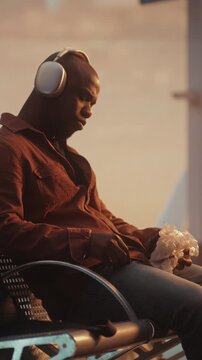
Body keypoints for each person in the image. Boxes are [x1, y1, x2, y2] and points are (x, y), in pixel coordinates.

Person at [0, 49, 202, 360]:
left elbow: (105, 219)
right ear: (49, 85)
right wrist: (86, 242)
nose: (89, 111)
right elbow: (6, 228)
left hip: (122, 270)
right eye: (83, 98)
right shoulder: (9, 148)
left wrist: (152, 239)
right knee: (196, 306)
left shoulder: (76, 161)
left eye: (93, 103)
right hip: (87, 283)